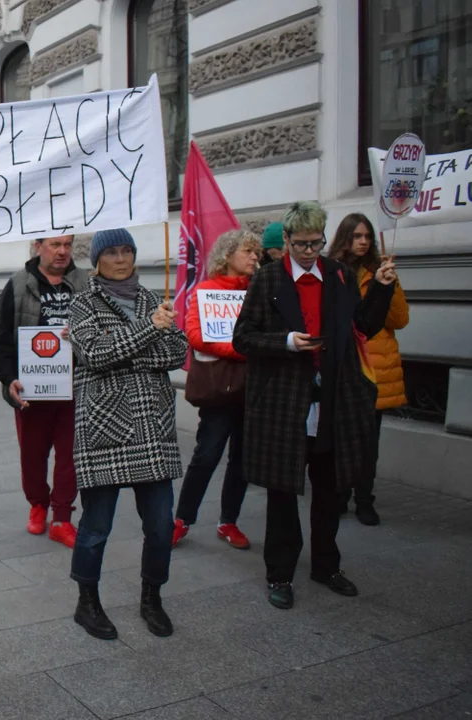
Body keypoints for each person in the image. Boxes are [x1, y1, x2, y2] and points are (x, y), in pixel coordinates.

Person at [232, 201, 397, 611]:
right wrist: (287, 342)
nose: (309, 251)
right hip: (285, 402)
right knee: (283, 491)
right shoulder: (268, 278)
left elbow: (362, 325)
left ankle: (326, 565)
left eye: (316, 243)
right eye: (301, 244)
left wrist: (380, 285)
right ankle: (280, 574)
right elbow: (244, 338)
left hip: (333, 400)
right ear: (286, 241)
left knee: (330, 487)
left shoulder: (339, 274)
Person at [68, 228, 188, 641]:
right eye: (112, 252)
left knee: (159, 525)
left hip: (153, 428)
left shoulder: (156, 299)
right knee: (96, 524)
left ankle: (152, 597)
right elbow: (94, 354)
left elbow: (178, 352)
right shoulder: (83, 302)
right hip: (105, 427)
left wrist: (133, 342)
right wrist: (149, 332)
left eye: (127, 251)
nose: (121, 259)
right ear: (97, 260)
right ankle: (87, 601)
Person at [0, 234, 88, 547]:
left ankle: (61, 517)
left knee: (70, 456)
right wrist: (8, 380)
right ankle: (38, 505)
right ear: (38, 246)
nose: (62, 251)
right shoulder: (18, 284)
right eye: (55, 245)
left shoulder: (86, 283)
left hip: (75, 387)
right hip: (32, 389)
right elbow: (2, 338)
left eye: (67, 245)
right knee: (32, 455)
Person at [173, 229, 261, 550]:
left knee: (243, 458)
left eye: (257, 253)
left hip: (253, 390)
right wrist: (243, 349)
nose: (255, 257)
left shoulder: (260, 291)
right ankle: (181, 519)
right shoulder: (205, 291)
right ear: (227, 256)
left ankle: (228, 522)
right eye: (248, 251)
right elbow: (196, 336)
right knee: (207, 454)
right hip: (219, 390)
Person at [328, 213, 408, 526]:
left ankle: (364, 499)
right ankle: (340, 494)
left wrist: (390, 283)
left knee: (369, 441)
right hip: (347, 364)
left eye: (367, 236)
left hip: (376, 366)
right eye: (357, 236)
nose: (363, 242)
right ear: (345, 238)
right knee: (341, 436)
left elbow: (399, 319)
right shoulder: (333, 272)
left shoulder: (380, 270)